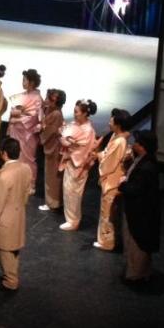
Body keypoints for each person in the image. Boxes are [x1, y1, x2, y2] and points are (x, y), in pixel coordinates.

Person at [0, 137, 30, 291]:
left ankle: (11, 281)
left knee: (5, 251)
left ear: (3, 154)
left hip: (5, 220)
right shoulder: (26, 169)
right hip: (18, 216)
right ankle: (11, 276)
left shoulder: (4, 177)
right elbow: (26, 194)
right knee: (13, 250)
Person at [119, 130, 161, 283]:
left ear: (142, 146)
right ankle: (137, 271)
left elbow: (136, 189)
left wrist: (122, 185)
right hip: (137, 210)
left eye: (136, 142)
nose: (133, 143)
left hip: (141, 212)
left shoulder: (147, 167)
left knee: (137, 243)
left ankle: (137, 274)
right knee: (133, 241)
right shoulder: (143, 160)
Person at [94, 108, 131, 251]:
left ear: (118, 124)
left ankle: (107, 242)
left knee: (108, 213)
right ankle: (107, 240)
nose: (109, 121)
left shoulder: (119, 141)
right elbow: (107, 154)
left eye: (111, 119)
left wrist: (98, 155)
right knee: (108, 211)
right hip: (112, 178)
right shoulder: (116, 137)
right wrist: (99, 155)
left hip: (112, 180)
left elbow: (108, 163)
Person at [58, 99, 98, 231]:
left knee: (74, 193)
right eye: (74, 111)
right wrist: (64, 138)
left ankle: (73, 220)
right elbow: (69, 137)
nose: (74, 114)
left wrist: (68, 144)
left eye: (77, 112)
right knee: (67, 190)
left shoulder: (88, 130)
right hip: (70, 161)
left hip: (78, 164)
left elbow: (83, 150)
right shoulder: (75, 124)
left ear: (85, 113)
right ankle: (69, 218)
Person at [7, 69, 43, 186]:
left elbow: (33, 117)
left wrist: (17, 118)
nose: (22, 82)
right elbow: (16, 110)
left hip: (27, 133)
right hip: (16, 131)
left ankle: (29, 184)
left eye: (24, 80)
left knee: (27, 158)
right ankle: (15, 180)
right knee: (16, 155)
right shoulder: (22, 96)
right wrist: (15, 114)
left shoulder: (37, 99)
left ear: (32, 83)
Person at [38, 88, 66, 212]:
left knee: (52, 176)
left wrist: (42, 127)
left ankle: (52, 202)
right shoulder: (52, 110)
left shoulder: (56, 114)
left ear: (54, 102)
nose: (46, 100)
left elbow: (49, 130)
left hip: (54, 147)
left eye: (48, 98)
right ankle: (54, 201)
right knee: (51, 175)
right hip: (52, 145)